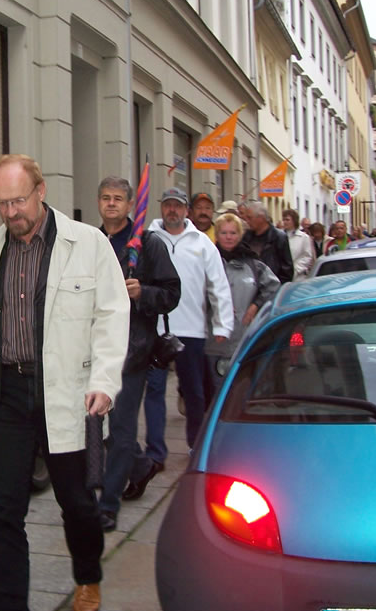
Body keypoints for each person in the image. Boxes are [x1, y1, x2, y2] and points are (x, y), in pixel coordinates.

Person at [0, 154, 129, 611]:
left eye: (18, 200)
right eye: (1, 203)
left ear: (41, 191)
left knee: (76, 503)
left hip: (65, 392)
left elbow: (112, 314)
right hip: (6, 395)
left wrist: (104, 381)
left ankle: (88, 574)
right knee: (3, 511)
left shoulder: (88, 243)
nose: (10, 212)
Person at [96, 177, 180, 529]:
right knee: (100, 425)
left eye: (118, 198)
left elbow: (172, 293)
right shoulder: (92, 241)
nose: (111, 204)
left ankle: (108, 504)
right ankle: (141, 466)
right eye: (105, 198)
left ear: (130, 204)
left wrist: (143, 292)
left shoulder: (148, 243)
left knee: (120, 426)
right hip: (96, 347)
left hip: (132, 350)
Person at [147, 187, 234, 445]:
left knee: (194, 392)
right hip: (155, 330)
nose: (172, 210)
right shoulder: (149, 239)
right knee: (154, 390)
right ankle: (155, 451)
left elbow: (218, 284)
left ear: (186, 210)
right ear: (161, 208)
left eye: (177, 205)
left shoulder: (202, 243)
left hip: (191, 329)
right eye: (167, 205)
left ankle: (195, 445)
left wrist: (222, 324)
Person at [205, 213, 281, 396]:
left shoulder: (253, 264)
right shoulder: (207, 262)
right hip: (214, 342)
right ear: (217, 235)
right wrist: (216, 305)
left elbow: (273, 287)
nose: (228, 237)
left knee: (242, 391)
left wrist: (256, 305)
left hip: (244, 339)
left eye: (233, 233)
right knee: (216, 393)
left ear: (240, 235)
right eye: (224, 233)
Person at [239, 200, 294, 283]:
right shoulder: (246, 236)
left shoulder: (279, 237)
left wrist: (277, 286)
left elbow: (287, 269)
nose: (246, 221)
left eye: (249, 218)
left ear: (261, 218)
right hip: (250, 284)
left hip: (272, 285)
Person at [282, 207, 315, 281]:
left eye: (287, 220)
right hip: (282, 276)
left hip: (298, 277)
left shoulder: (304, 237)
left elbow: (307, 256)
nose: (284, 222)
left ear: (294, 221)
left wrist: (296, 269)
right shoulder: (279, 236)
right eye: (283, 220)